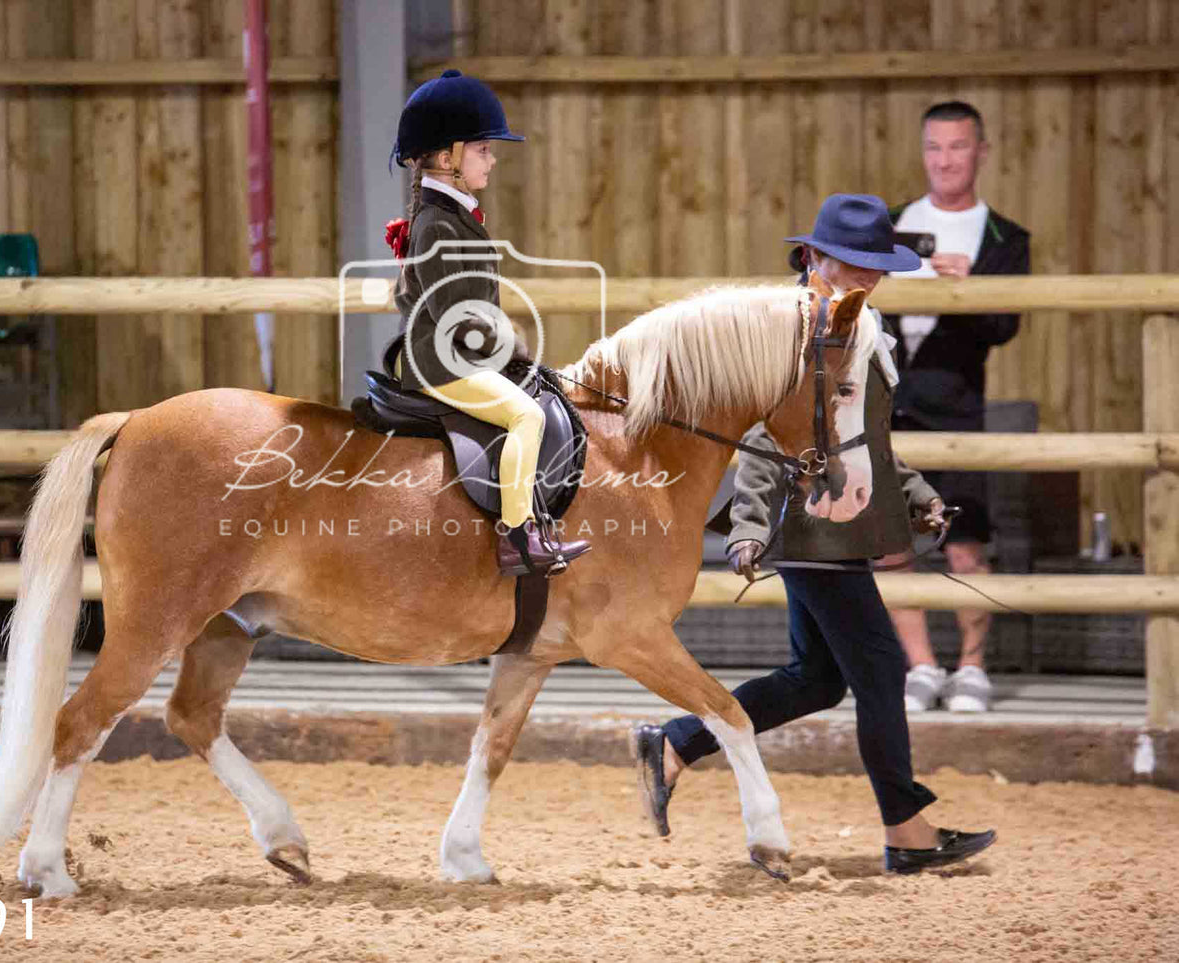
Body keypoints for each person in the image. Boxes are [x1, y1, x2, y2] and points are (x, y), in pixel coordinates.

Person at [632, 193, 996, 875]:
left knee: (815, 679)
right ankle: (907, 832)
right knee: (883, 667)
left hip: (845, 518)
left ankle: (675, 741)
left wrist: (915, 494)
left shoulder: (858, 324)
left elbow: (865, 442)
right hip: (809, 523)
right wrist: (745, 525)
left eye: (876, 266)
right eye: (852, 263)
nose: (867, 277)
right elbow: (759, 439)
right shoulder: (789, 330)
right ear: (811, 258)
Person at [384, 69, 590, 578]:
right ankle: (518, 536)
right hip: (441, 364)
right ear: (445, 157)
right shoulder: (437, 222)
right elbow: (459, 316)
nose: (491, 159)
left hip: (458, 355)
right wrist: (513, 346)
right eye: (482, 149)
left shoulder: (452, 215)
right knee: (527, 416)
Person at [885, 101, 1031, 714]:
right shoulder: (889, 224)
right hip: (886, 402)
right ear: (923, 153)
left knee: (965, 542)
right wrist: (908, 266)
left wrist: (963, 288)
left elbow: (1005, 326)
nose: (945, 160)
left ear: (981, 152)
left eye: (958, 147)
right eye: (935, 147)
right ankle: (920, 666)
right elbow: (824, 274)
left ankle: (972, 668)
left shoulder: (1004, 237)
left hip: (958, 408)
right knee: (891, 546)